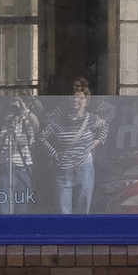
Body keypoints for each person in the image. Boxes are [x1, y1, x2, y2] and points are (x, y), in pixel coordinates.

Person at [0, 87, 42, 214]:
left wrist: (25, 110)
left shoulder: (26, 120)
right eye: (13, 98)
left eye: (19, 99)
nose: (15, 102)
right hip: (4, 167)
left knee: (22, 208)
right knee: (5, 209)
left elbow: (36, 126)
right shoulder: (0, 121)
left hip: (24, 168)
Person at [53, 81, 103, 214]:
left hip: (85, 163)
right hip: (65, 164)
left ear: (86, 101)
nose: (75, 100)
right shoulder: (60, 119)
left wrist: (98, 140)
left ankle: (81, 226)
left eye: (80, 98)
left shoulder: (92, 118)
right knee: (64, 206)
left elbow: (104, 126)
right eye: (73, 97)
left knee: (83, 202)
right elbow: (47, 136)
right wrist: (53, 153)